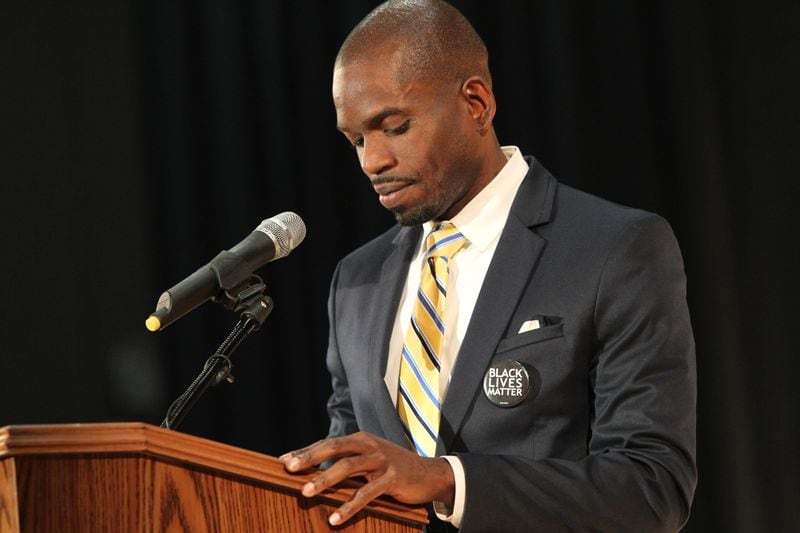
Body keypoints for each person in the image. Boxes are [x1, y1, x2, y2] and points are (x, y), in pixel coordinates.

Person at [280, 1, 697, 531]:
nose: (371, 162)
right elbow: (353, 475)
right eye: (356, 140)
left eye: (394, 127)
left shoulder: (614, 247)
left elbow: (651, 487)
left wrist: (447, 480)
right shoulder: (356, 281)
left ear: (476, 102)